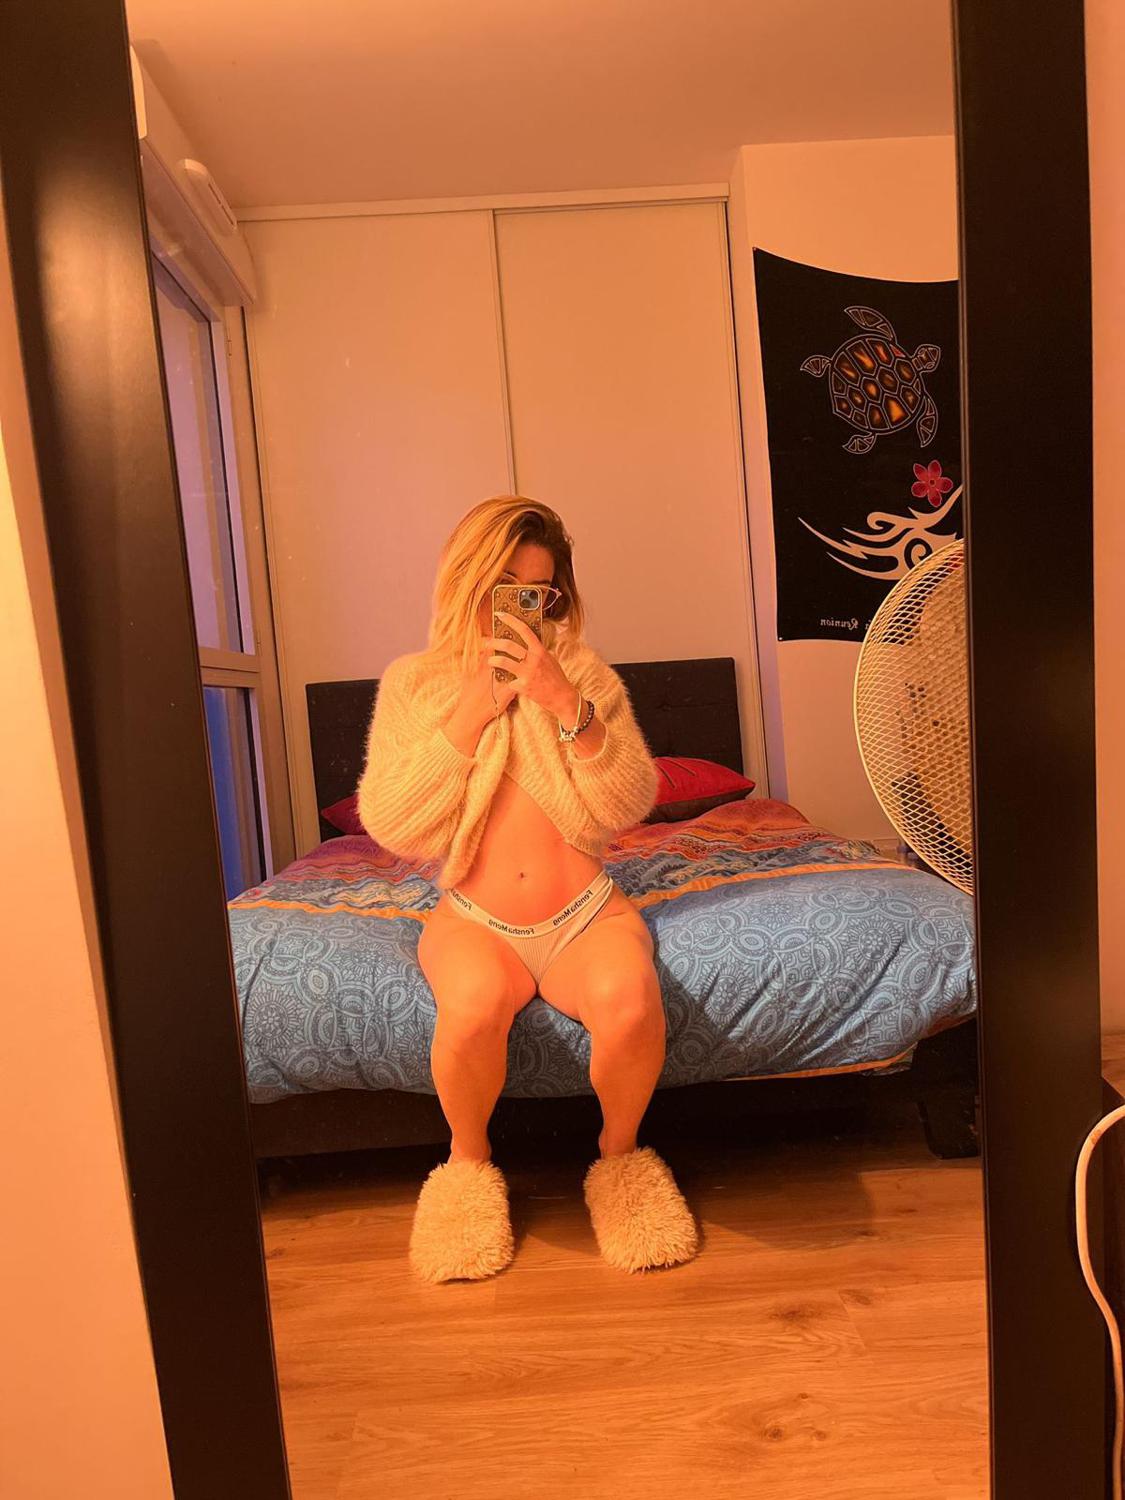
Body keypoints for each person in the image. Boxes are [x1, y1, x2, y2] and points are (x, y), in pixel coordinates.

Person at [357, 496, 700, 1282]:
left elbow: (626, 803)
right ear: (466, 579)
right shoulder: (415, 683)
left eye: (537, 590)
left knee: (629, 1002)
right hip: (474, 918)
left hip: (585, 913)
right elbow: (393, 822)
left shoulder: (584, 674)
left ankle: (619, 1157)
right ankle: (468, 1164)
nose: (522, 602)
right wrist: (471, 712)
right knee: (472, 1006)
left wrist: (565, 704)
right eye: (505, 584)